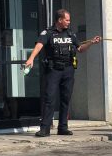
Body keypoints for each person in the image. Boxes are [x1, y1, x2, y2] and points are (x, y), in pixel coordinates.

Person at [24, 9, 101, 137]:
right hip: (53, 70)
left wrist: (91, 42)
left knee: (66, 99)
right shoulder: (48, 33)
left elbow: (80, 49)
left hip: (68, 70)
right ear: (59, 20)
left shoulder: (70, 34)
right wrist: (31, 58)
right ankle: (45, 129)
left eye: (69, 20)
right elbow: (39, 45)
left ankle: (63, 127)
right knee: (49, 99)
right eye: (67, 20)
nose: (69, 22)